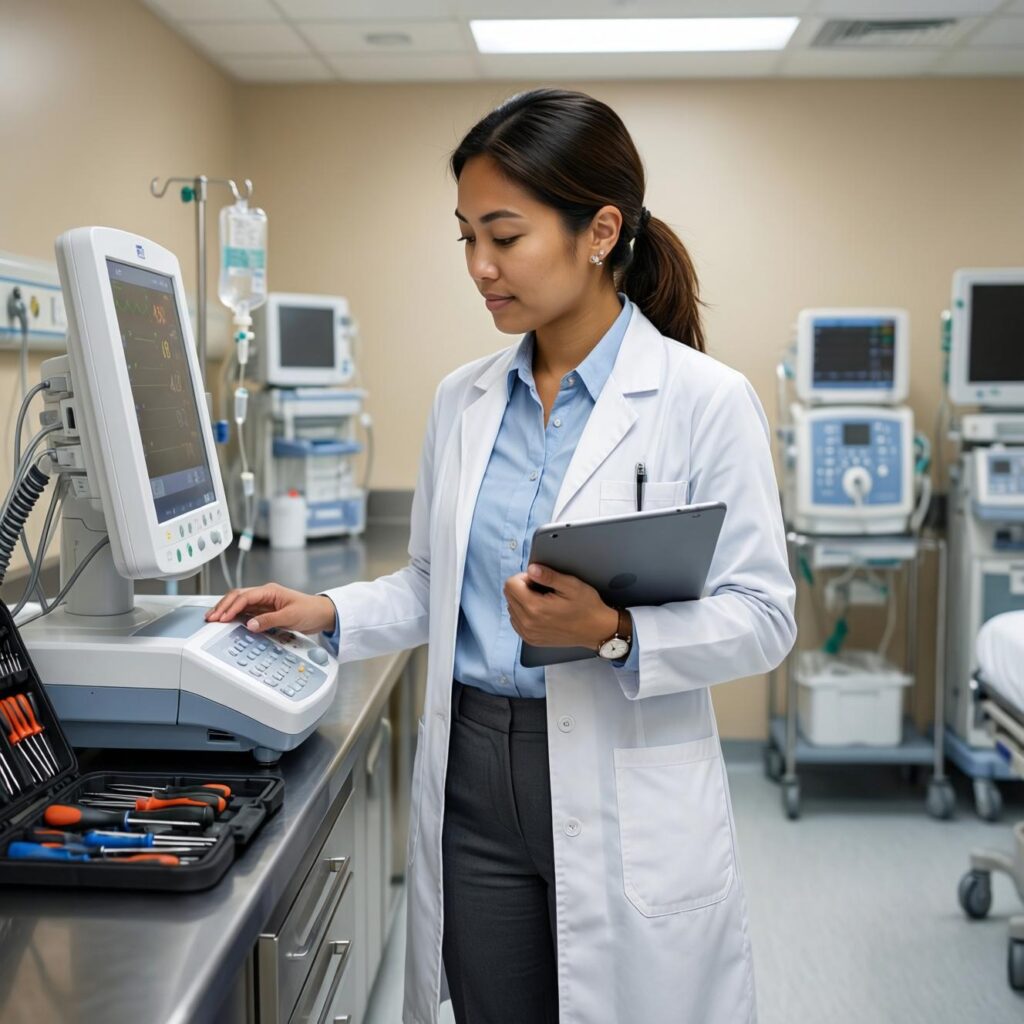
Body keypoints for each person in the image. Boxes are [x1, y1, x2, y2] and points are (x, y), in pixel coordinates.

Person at [207, 88, 796, 1024]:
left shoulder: (704, 401)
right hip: (473, 776)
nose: (479, 266)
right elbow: (440, 590)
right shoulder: (464, 400)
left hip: (619, 771)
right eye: (465, 238)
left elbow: (764, 618)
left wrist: (612, 632)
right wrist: (327, 613)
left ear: (599, 231)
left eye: (505, 236)